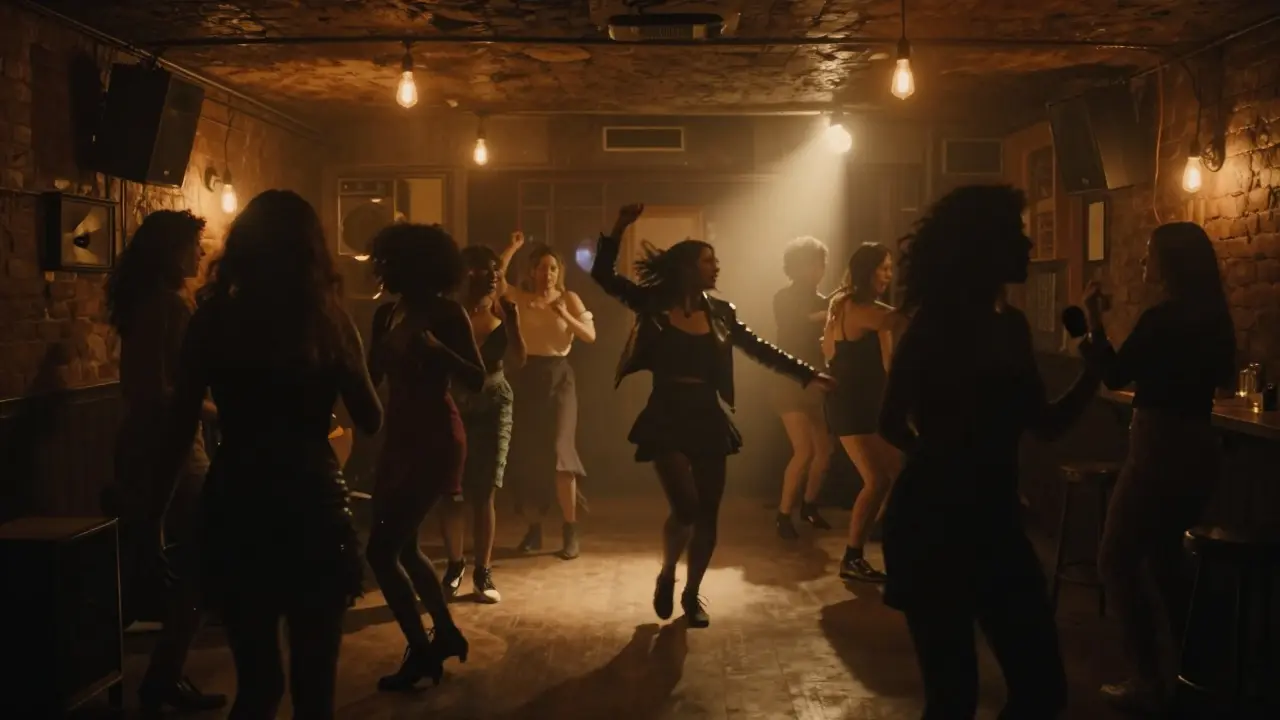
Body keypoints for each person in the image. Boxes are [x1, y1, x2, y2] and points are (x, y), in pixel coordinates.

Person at [152, 190, 383, 718]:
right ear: (312, 252)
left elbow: (178, 424)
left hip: (239, 502)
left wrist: (152, 519)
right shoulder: (329, 322)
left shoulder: (211, 321)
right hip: (312, 504)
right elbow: (371, 418)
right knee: (314, 689)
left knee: (258, 686)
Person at [877, 185, 1103, 719]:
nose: (1028, 246)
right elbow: (888, 422)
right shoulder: (935, 327)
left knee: (1039, 689)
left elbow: (1044, 425)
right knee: (954, 696)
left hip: (990, 523)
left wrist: (1091, 374)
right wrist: (949, 473)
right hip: (934, 527)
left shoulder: (1011, 327)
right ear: (984, 245)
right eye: (1016, 235)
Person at [591, 204, 837, 628]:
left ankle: (691, 593)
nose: (716, 266)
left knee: (707, 512)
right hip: (666, 410)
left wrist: (806, 373)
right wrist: (617, 229)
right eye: (708, 261)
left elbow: (760, 348)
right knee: (685, 507)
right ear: (688, 267)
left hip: (707, 413)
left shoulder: (722, 313)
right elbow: (603, 277)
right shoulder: (653, 303)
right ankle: (668, 574)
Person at [1087, 222, 1235, 714]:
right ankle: (1193, 673)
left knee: (1115, 557)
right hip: (1201, 449)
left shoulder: (1161, 318)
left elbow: (1113, 374)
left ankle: (1148, 678)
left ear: (1170, 264)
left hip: (1158, 448)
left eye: (1149, 255)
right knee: (1168, 563)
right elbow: (1224, 380)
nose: (1143, 263)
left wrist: (1092, 322)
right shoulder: (1214, 318)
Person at [106, 209, 226, 716]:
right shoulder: (171, 307)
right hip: (171, 447)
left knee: (159, 564)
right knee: (204, 562)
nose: (201, 254)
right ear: (172, 251)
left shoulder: (146, 303)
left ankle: (155, 674)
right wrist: (226, 408)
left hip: (151, 443)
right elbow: (160, 392)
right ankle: (160, 676)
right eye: (194, 245)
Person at [365, 223, 486, 691]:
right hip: (399, 437)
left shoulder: (448, 312)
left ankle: (421, 651)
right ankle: (447, 633)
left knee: (381, 550)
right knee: (406, 548)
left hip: (436, 435)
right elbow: (373, 377)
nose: (385, 269)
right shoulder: (386, 314)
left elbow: (476, 378)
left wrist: (439, 351)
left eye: (392, 262)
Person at [501, 231, 596, 559]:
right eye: (541, 267)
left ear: (559, 272)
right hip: (527, 378)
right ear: (531, 271)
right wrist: (513, 248)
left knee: (560, 452)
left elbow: (589, 336)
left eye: (553, 268)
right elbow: (498, 281)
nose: (547, 273)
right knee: (530, 456)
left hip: (559, 378)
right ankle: (534, 529)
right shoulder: (520, 298)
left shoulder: (569, 298)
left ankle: (571, 530)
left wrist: (563, 314)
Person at [440, 244, 527, 604]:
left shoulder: (502, 310)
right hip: (454, 405)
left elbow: (519, 360)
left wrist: (514, 322)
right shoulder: (448, 312)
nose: (492, 274)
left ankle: (483, 571)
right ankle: (454, 565)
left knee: (485, 490)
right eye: (483, 268)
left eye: (495, 268)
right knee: (453, 489)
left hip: (495, 403)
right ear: (465, 273)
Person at [823, 243, 908, 583]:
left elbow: (887, 359)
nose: (889, 275)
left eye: (890, 268)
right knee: (877, 479)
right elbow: (897, 318)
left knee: (894, 472)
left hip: (868, 402)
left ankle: (881, 537)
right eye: (883, 268)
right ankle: (853, 556)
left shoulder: (849, 305)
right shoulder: (857, 309)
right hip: (852, 404)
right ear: (866, 271)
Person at [771, 236, 835, 539]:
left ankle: (809, 506)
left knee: (824, 452)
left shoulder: (825, 302)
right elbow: (792, 323)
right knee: (804, 450)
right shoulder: (783, 297)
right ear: (796, 267)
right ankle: (784, 514)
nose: (819, 270)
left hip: (815, 381)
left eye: (821, 264)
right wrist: (825, 316)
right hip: (788, 381)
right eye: (813, 264)